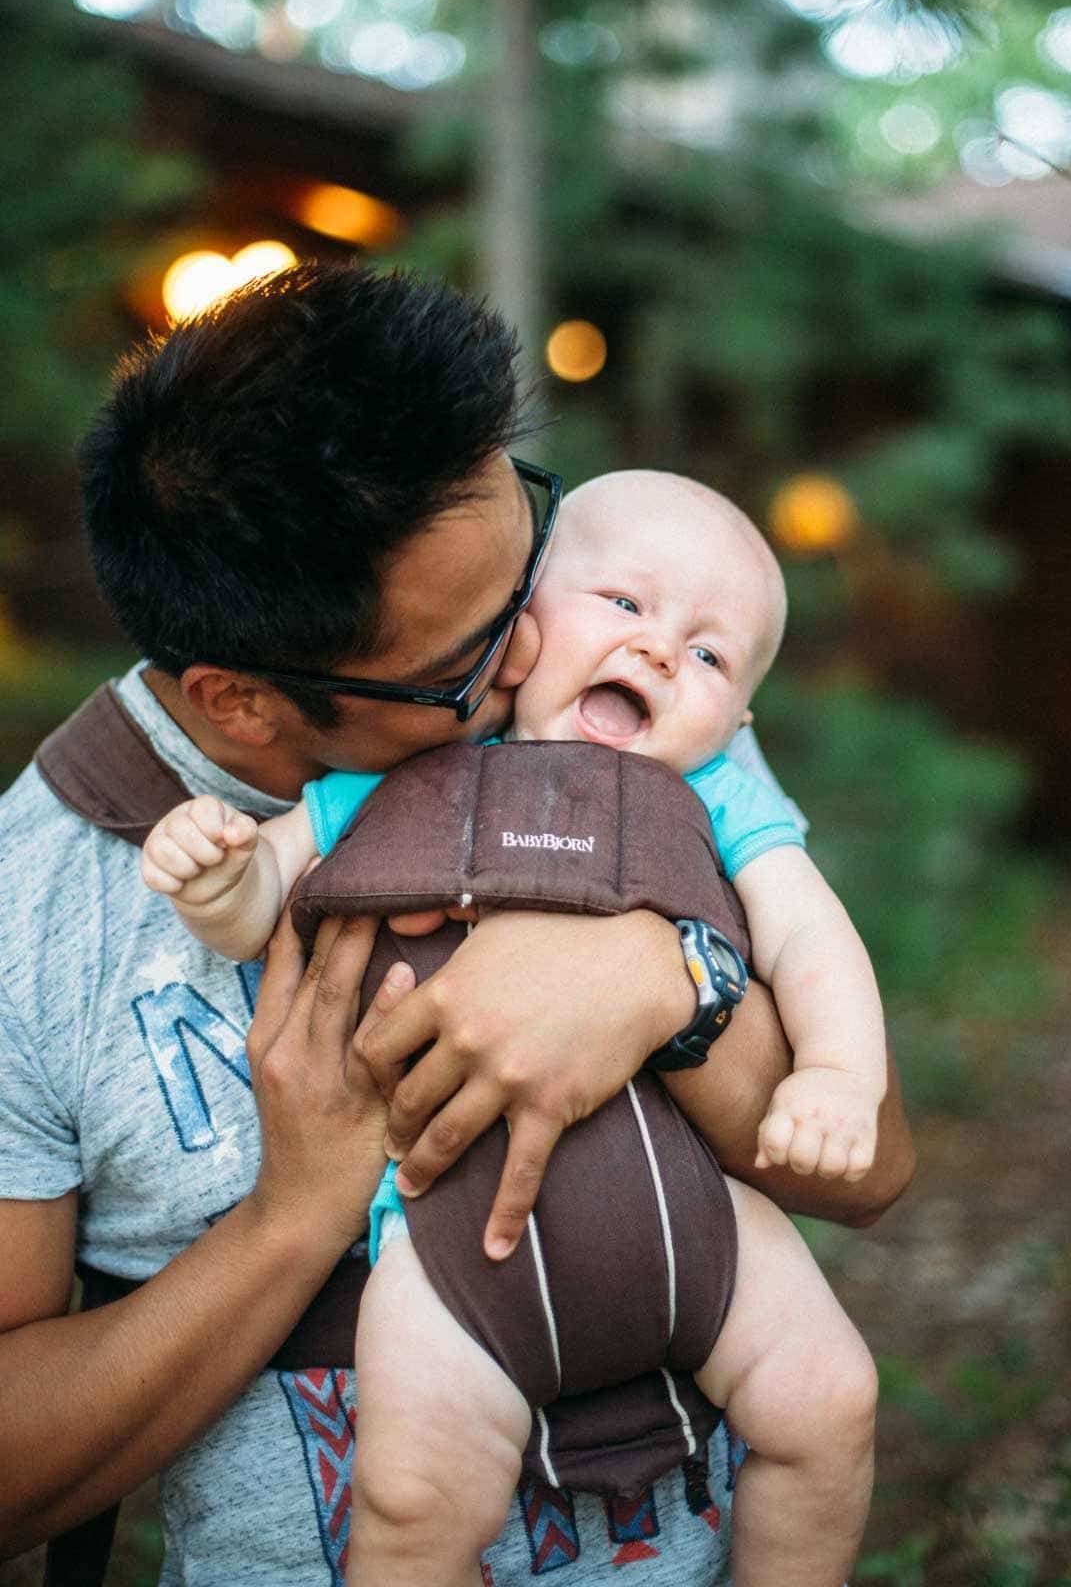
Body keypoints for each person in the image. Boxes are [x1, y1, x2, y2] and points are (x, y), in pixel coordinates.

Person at [0, 262, 914, 1586]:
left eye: (530, 564)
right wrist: (297, 1213)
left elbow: (870, 1170)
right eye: (466, 662)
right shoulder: (32, 912)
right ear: (244, 701)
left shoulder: (622, 680)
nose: (539, 654)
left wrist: (669, 974)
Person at [143, 467, 888, 1587]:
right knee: (411, 1496)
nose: (656, 654)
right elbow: (262, 911)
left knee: (831, 1406)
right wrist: (215, 883)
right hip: (449, 1242)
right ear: (522, 623)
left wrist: (836, 1074)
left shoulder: (722, 802)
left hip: (699, 1225)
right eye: (626, 606)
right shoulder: (404, 773)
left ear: (738, 720)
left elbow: (811, 940)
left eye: (709, 655)